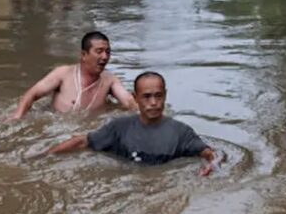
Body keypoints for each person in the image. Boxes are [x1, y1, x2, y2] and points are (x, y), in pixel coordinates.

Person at [46, 71, 223, 176]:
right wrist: (46, 155)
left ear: (165, 96)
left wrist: (213, 165)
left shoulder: (180, 132)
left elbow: (211, 153)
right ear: (135, 98)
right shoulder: (119, 128)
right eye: (147, 96)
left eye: (158, 95)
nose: (153, 102)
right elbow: (83, 141)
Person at [11, 31, 137, 119]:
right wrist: (16, 118)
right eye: (99, 51)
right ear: (84, 55)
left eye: (108, 52)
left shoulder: (109, 80)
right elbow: (31, 95)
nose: (105, 57)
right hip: (56, 126)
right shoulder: (63, 74)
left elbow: (128, 100)